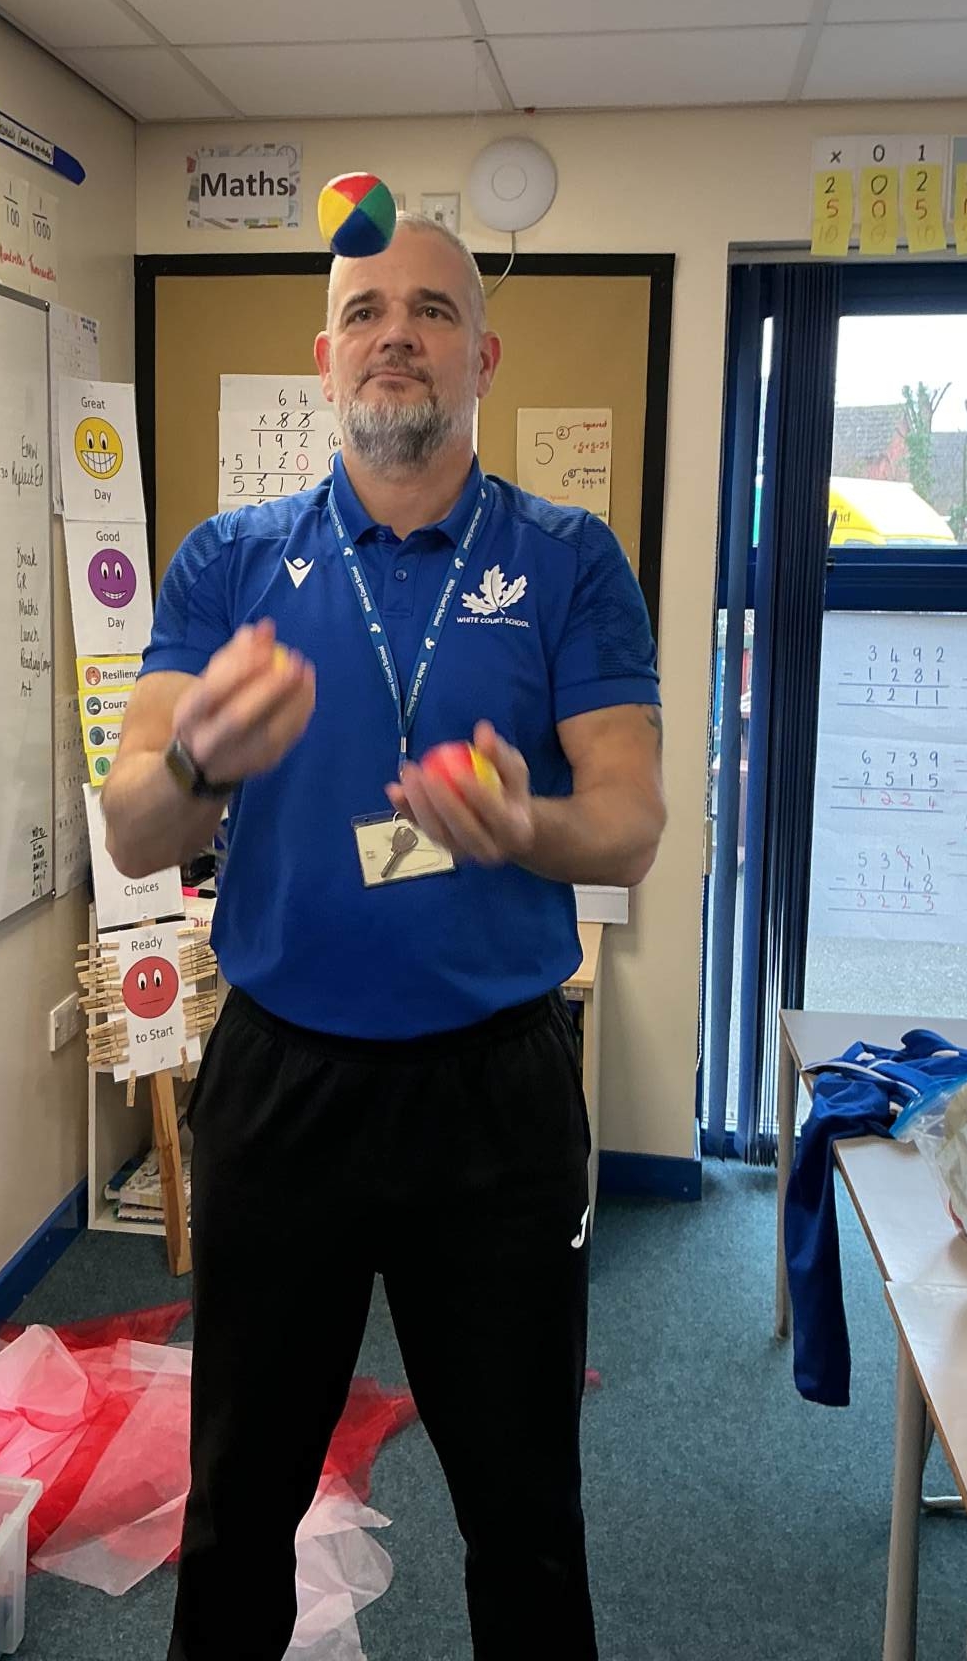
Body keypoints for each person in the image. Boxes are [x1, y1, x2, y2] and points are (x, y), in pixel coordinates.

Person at [104, 212, 666, 1661]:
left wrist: (525, 827)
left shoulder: (569, 561)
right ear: (326, 357)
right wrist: (199, 764)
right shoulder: (230, 562)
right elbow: (134, 828)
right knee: (240, 1502)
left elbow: (628, 822)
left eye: (430, 309)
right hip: (282, 1087)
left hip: (495, 1098)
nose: (395, 334)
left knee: (524, 1513)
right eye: (365, 311)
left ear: (483, 356)